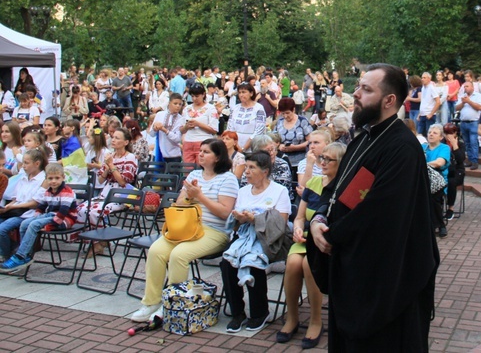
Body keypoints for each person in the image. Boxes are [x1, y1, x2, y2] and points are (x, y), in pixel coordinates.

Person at [309, 63, 439, 352]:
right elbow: (341, 192)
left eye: (366, 89)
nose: (356, 94)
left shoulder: (402, 148)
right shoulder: (366, 137)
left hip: (386, 279)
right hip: (354, 267)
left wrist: (331, 236)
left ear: (389, 100)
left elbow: (380, 211)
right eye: (358, 87)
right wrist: (318, 219)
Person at [132, 138, 238, 322]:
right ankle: (151, 302)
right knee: (156, 251)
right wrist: (189, 196)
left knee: (178, 255)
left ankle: (172, 303)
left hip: (214, 231)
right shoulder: (193, 175)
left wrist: (200, 196)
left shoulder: (228, 179)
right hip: (186, 226)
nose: (201, 154)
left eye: (206, 152)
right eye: (201, 150)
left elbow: (224, 213)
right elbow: (180, 203)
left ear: (218, 157)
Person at [278, 143, 346, 346]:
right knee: (292, 264)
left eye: (328, 159)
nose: (322, 162)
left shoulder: (343, 186)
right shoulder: (314, 183)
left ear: (341, 163)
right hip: (305, 238)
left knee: (309, 264)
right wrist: (298, 229)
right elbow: (299, 217)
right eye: (321, 158)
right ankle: (292, 318)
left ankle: (316, 321)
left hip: (327, 242)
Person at [220, 151, 291, 333]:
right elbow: (235, 228)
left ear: (265, 171)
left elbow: (280, 224)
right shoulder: (243, 191)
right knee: (226, 263)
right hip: (244, 235)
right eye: (246, 167)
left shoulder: (279, 191)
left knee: (254, 262)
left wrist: (255, 220)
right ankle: (237, 312)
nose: (247, 172)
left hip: (268, 239)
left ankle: (260, 312)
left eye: (252, 168)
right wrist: (239, 219)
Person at [0, 163, 78, 273]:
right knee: (25, 223)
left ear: (63, 178)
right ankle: (26, 255)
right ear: (46, 179)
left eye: (57, 178)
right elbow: (42, 206)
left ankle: (20, 256)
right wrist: (35, 217)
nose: (53, 181)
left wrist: (48, 226)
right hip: (51, 215)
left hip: (64, 219)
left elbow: (63, 212)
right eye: (50, 178)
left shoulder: (67, 192)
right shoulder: (48, 191)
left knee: (34, 225)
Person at [423, 124, 451, 238]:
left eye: (435, 133)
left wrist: (423, 164)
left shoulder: (444, 148)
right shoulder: (422, 146)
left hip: (438, 181)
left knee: (434, 196)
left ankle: (440, 225)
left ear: (441, 137)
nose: (431, 134)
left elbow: (439, 163)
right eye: (430, 132)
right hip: (423, 180)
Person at [275, 97, 313, 174]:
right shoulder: (279, 122)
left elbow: (310, 141)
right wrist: (279, 146)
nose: (285, 116)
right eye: (283, 113)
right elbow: (273, 140)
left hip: (300, 161)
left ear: (293, 110)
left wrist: (295, 147)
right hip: (282, 160)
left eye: (287, 113)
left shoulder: (303, 121)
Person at [227, 83, 266, 153]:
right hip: (235, 148)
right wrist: (237, 147)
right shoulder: (235, 108)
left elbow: (259, 130)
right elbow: (230, 129)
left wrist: (243, 148)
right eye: (239, 92)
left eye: (244, 92)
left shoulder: (259, 108)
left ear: (251, 93)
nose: (241, 95)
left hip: (253, 149)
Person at [456, 81, 481, 170]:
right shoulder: (462, 96)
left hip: (474, 122)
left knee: (473, 142)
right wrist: (463, 103)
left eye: (467, 86)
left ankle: (474, 161)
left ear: (472, 87)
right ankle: (469, 159)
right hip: (464, 122)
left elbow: (480, 107)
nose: (465, 88)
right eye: (464, 87)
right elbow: (456, 108)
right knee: (467, 143)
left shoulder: (478, 96)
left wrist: (469, 101)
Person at [149, 93, 185, 163]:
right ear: (169, 103)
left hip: (174, 155)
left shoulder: (181, 119)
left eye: (180, 104)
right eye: (175, 103)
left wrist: (164, 130)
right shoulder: (160, 114)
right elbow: (152, 134)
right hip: (159, 152)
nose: (178, 106)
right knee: (158, 173)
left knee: (174, 174)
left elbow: (177, 139)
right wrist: (155, 128)